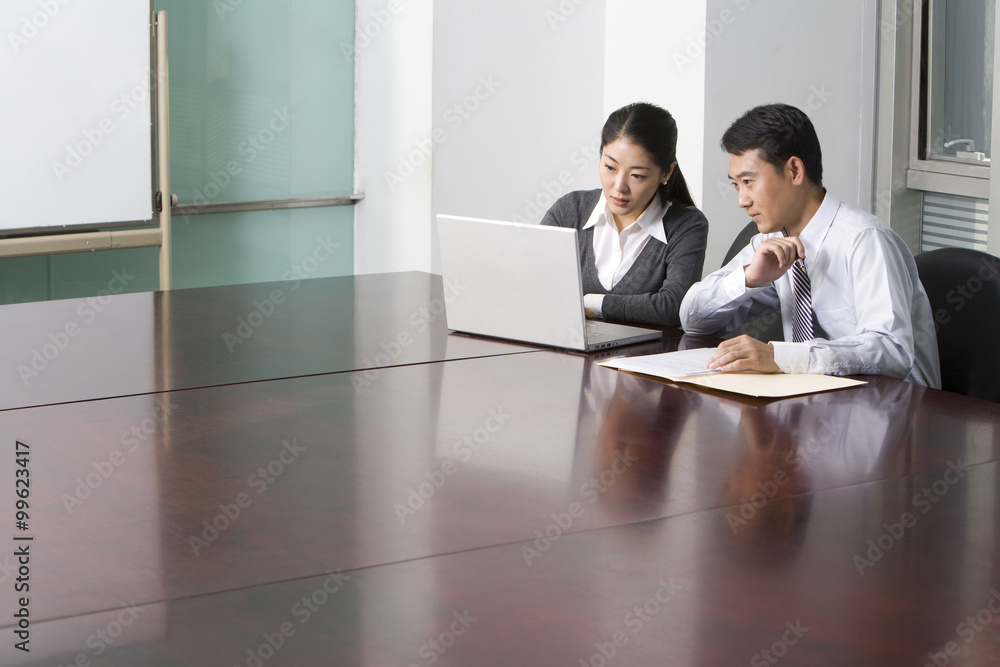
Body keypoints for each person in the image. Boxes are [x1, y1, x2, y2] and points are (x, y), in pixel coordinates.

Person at [679, 103, 941, 387]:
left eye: (749, 182)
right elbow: (692, 319)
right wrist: (748, 278)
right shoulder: (771, 241)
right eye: (736, 185)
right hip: (814, 406)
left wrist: (779, 356)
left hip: (898, 412)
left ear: (794, 170)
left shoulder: (865, 240)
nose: (742, 199)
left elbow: (893, 351)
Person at [541, 102, 709, 326]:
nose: (619, 187)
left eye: (637, 175)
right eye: (610, 168)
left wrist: (591, 304)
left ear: (666, 172)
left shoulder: (686, 225)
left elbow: (673, 306)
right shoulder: (571, 210)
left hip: (644, 358)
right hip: (564, 350)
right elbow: (532, 282)